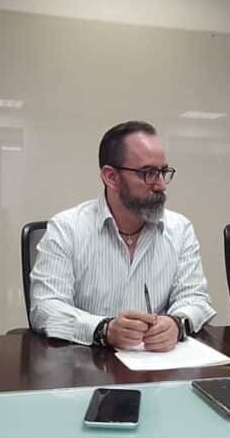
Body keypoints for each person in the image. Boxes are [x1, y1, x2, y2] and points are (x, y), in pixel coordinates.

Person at [29, 120, 215, 352]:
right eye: (149, 173)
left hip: (157, 364)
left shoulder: (180, 229)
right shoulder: (67, 228)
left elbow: (196, 298)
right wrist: (103, 330)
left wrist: (176, 324)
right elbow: (45, 308)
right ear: (111, 177)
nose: (161, 185)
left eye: (163, 172)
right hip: (87, 364)